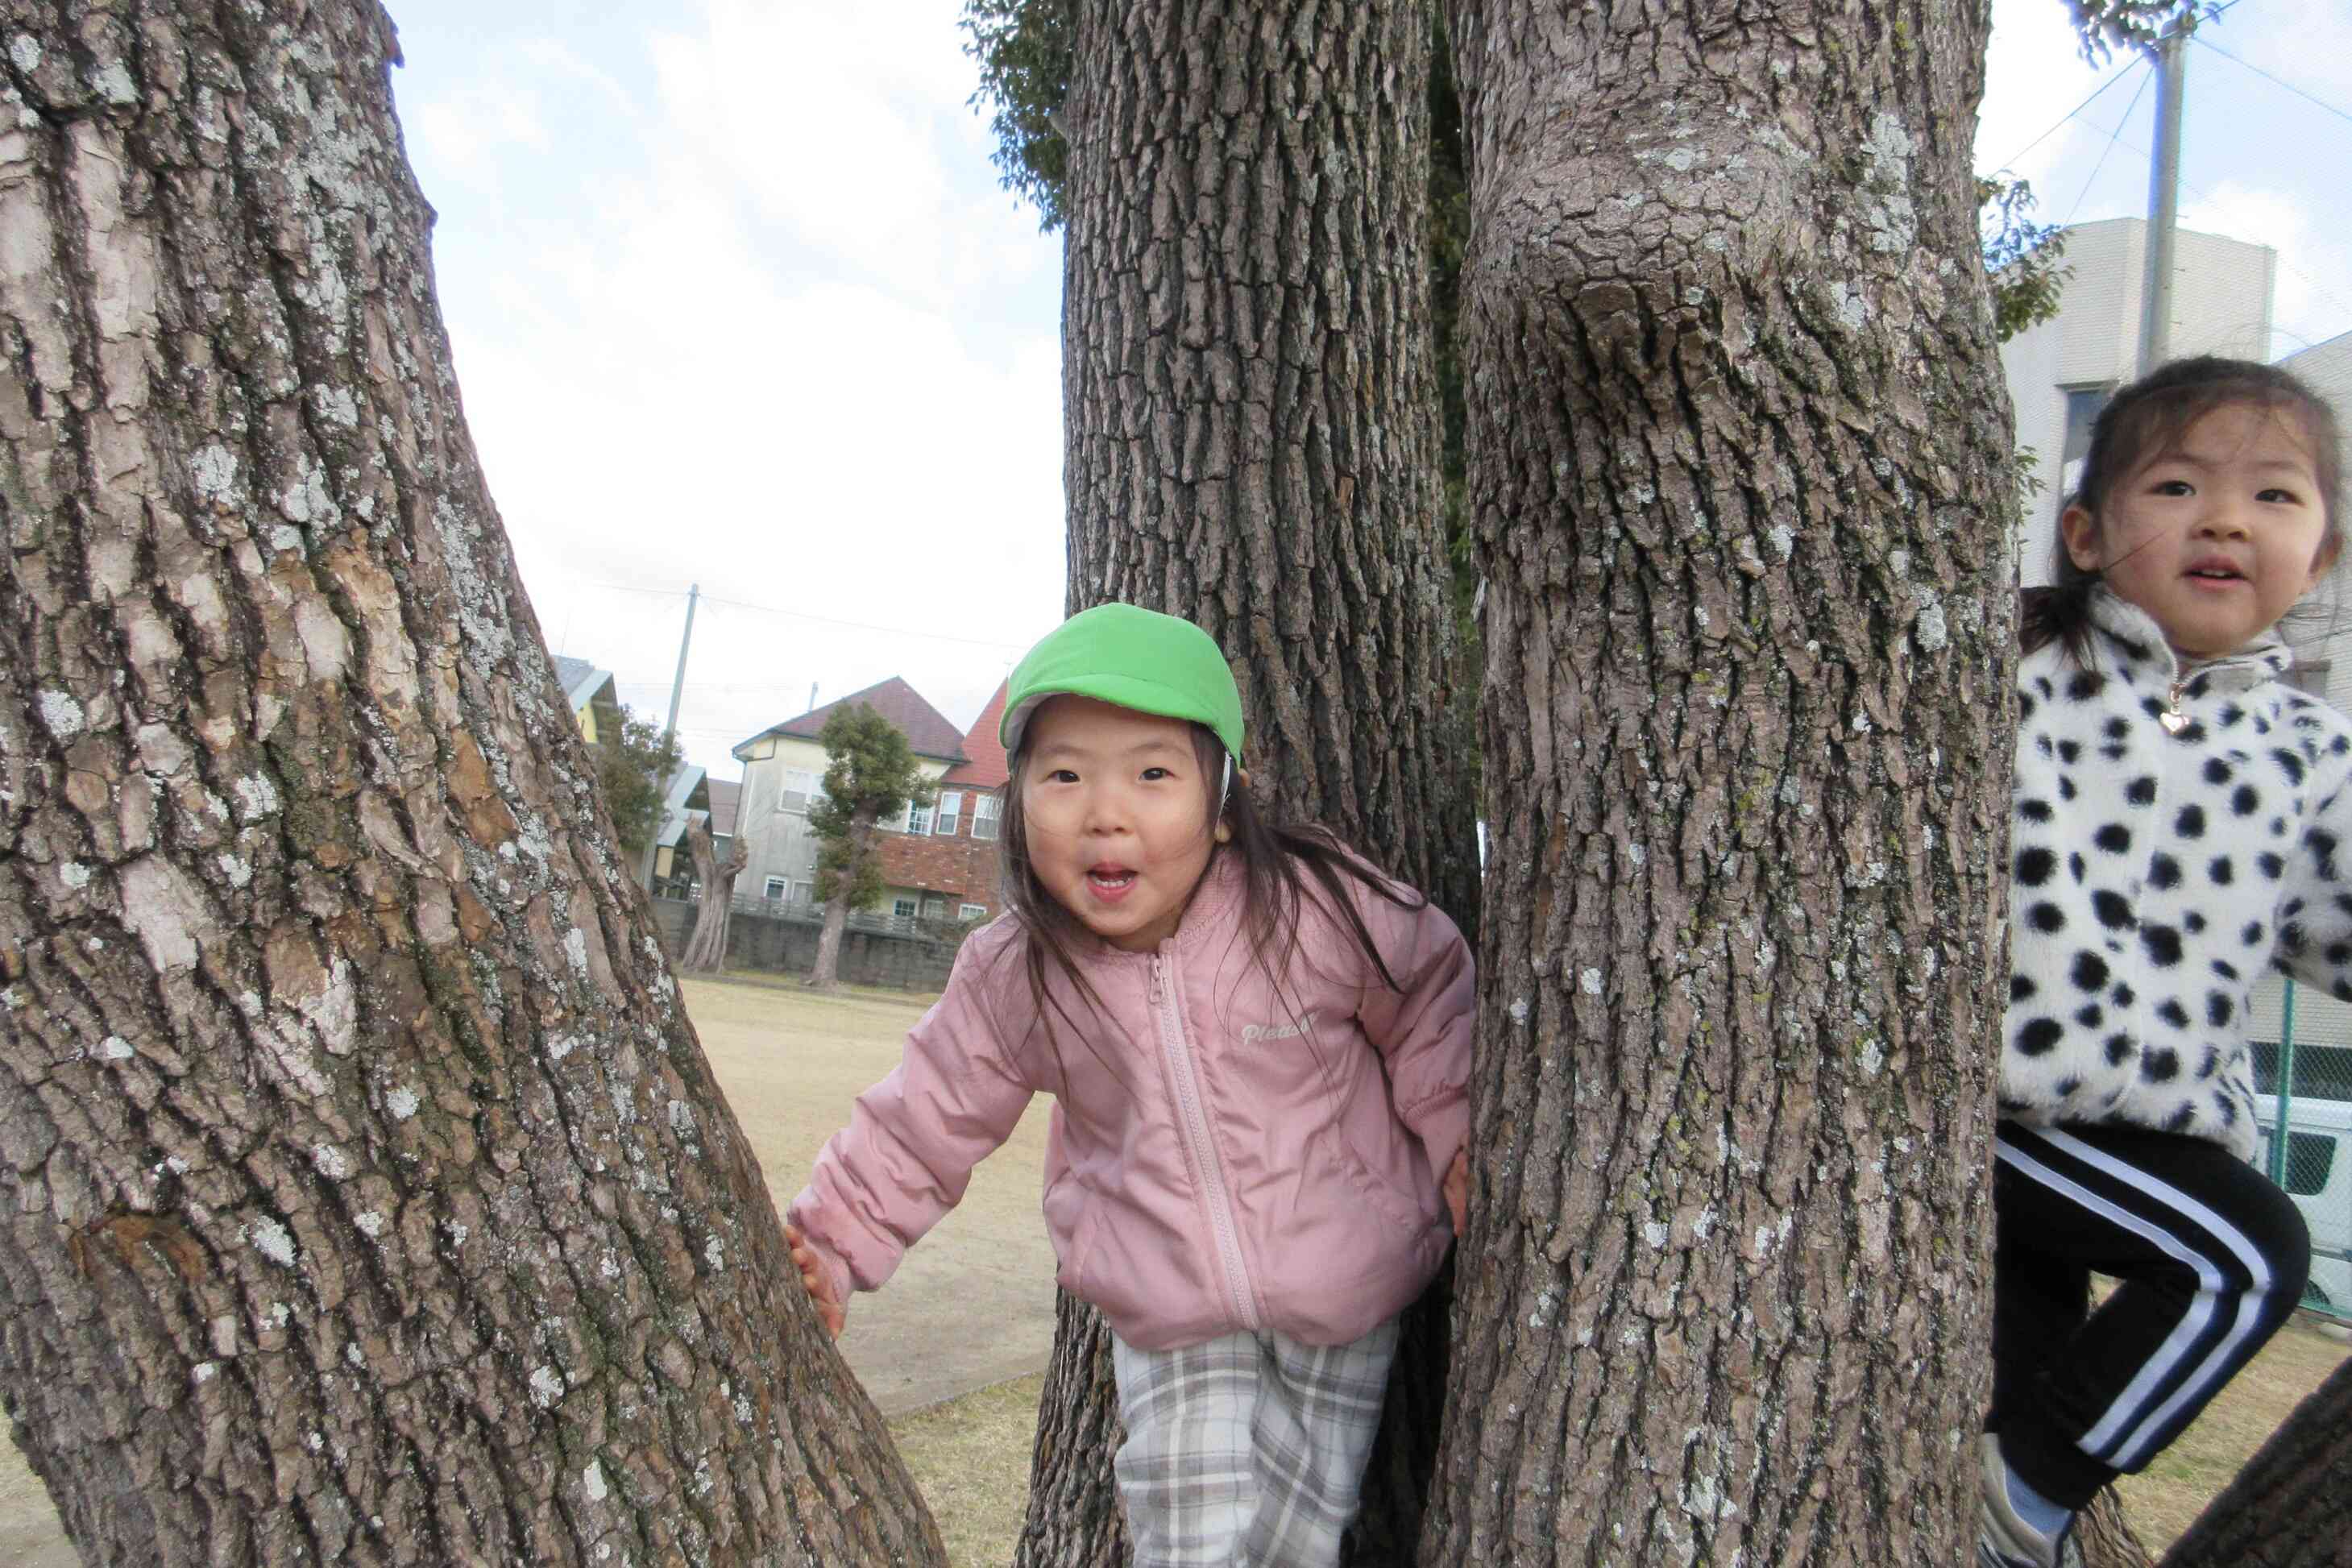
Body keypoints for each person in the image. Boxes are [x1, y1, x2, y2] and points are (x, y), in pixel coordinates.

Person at [782, 602, 1474, 1568]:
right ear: (1020, 800)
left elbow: (1431, 991)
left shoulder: (1307, 905)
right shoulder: (1018, 971)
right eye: (1064, 776)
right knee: (1186, 1538)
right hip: (1170, 1302)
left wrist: (1460, 1140)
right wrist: (825, 1245)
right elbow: (920, 1120)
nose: (1107, 811)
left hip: (1349, 1278)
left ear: (1223, 803)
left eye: (1154, 774)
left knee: (1301, 1535)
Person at [1982, 356, 2341, 1567]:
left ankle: (1988, 1489)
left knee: (2014, 1361)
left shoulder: (2307, 746)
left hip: (2151, 1137)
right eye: (2177, 486)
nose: (2225, 519)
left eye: (2275, 497)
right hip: (1994, 1110)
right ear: (2083, 533)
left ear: (2325, 554)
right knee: (2243, 1255)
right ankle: (2021, 1496)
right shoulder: (2018, 672)